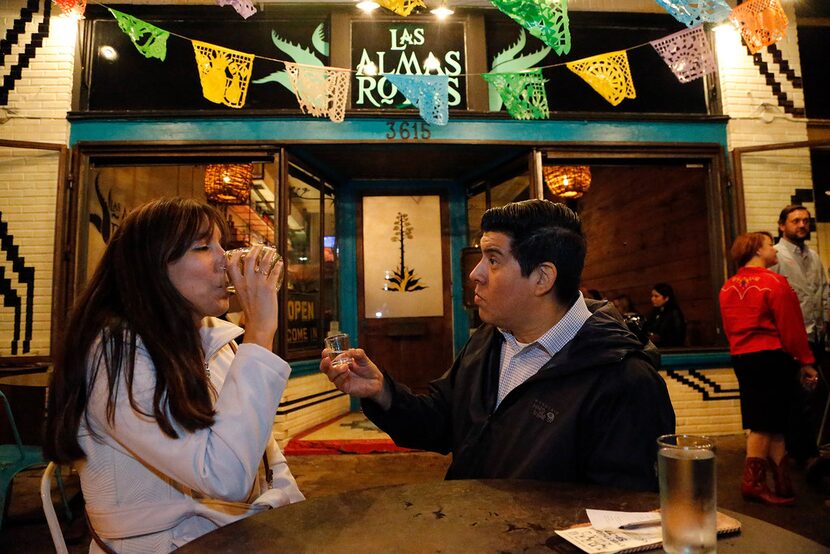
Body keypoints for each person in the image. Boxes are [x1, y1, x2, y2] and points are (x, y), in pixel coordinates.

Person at [321, 200, 675, 491]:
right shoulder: (488, 341)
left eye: (493, 259)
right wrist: (380, 391)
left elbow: (627, 520)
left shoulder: (624, 381)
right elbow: (441, 422)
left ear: (542, 278)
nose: (475, 273)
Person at [44, 198, 304, 552]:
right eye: (202, 247)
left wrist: (293, 511)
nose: (225, 262)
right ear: (151, 268)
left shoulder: (212, 338)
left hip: (233, 536)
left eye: (222, 246)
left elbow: (264, 452)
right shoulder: (115, 354)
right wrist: (259, 331)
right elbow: (226, 476)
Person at [719, 232, 818, 505]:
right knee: (764, 424)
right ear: (757, 250)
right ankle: (753, 485)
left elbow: (730, 329)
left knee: (772, 423)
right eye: (768, 244)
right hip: (773, 357)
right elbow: (792, 327)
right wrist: (806, 361)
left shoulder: (727, 287)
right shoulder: (774, 283)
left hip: (743, 357)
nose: (774, 249)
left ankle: (783, 484)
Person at [769, 205, 826, 470]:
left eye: (805, 220)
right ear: (782, 226)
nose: (802, 225)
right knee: (796, 396)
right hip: (789, 338)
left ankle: (807, 449)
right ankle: (803, 453)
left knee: (814, 395)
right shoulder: (776, 255)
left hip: (814, 334)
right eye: (795, 221)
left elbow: (823, 290)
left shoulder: (813, 256)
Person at [643, 283, 686, 347]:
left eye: (656, 296)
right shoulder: (655, 312)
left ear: (666, 298)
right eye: (652, 296)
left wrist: (660, 338)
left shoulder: (674, 313)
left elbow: (678, 336)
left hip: (670, 350)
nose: (652, 299)